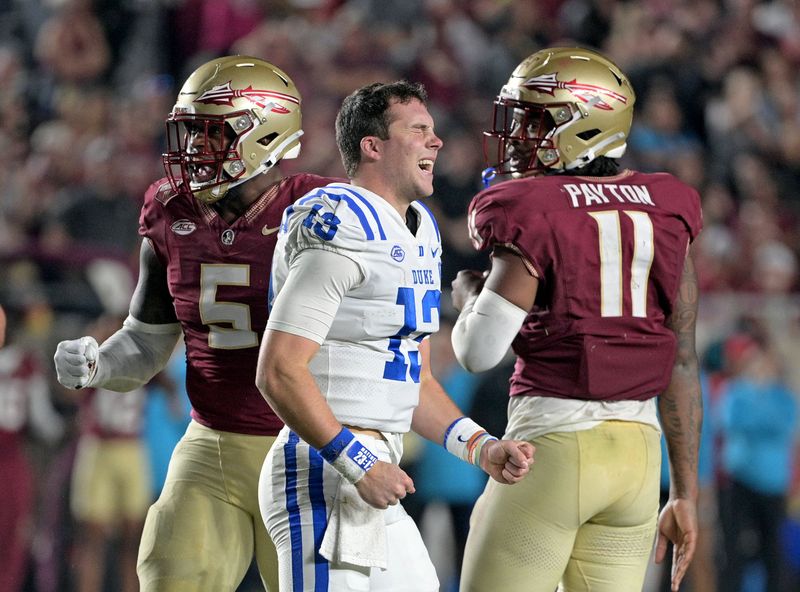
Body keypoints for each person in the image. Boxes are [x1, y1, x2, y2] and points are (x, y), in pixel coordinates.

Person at [53, 55, 340, 591]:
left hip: (309, 447)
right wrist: (96, 364)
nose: (192, 151)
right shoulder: (169, 211)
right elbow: (145, 341)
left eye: (210, 135)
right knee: (169, 573)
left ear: (264, 134)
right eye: (189, 133)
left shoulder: (327, 211)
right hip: (213, 443)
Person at [255, 81, 534, 592]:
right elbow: (278, 369)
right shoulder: (343, 222)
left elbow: (414, 379)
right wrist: (358, 464)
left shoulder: (419, 228)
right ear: (373, 145)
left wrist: (480, 448)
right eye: (419, 130)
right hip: (324, 473)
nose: (437, 142)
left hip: (374, 475)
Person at [449, 47, 703, 592]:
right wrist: (684, 492)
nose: (518, 135)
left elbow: (477, 351)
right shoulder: (667, 206)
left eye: (534, 121)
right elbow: (682, 355)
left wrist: (469, 292)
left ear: (584, 127)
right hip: (638, 459)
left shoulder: (532, 208)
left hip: (554, 449)